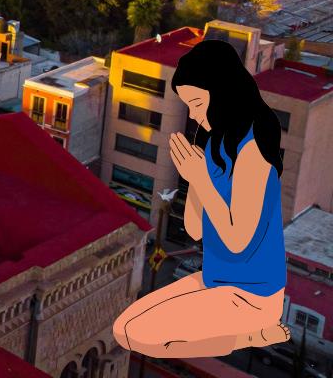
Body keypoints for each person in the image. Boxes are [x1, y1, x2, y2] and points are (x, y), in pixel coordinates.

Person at [113, 38, 289, 358]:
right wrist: (194, 181)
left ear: (221, 92)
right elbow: (195, 230)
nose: (194, 115)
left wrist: (201, 179)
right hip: (215, 280)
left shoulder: (254, 150)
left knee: (142, 335)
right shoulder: (212, 142)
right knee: (122, 329)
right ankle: (248, 330)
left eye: (197, 102)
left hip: (253, 295)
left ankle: (251, 334)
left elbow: (238, 240)